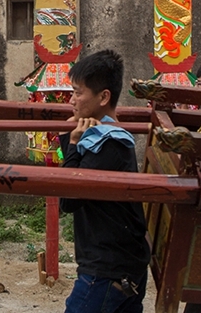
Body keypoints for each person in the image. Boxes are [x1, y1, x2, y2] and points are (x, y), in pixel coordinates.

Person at [59, 49, 149, 313]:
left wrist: (72, 141)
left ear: (103, 97)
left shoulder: (107, 143)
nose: (72, 101)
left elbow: (68, 200)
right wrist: (71, 137)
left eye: (78, 93)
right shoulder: (104, 133)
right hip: (122, 263)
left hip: (107, 270)